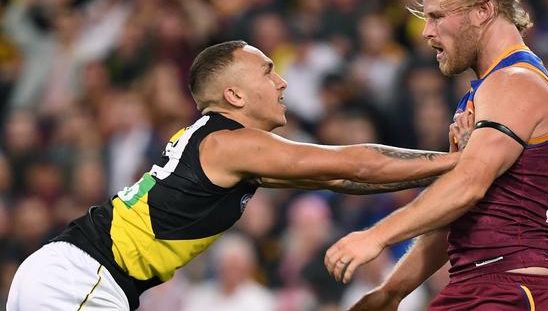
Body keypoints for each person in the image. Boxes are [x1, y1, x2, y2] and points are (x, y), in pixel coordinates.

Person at [6, 40, 472, 311]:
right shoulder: (229, 143)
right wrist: (459, 161)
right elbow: (356, 163)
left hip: (73, 274)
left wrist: (436, 172)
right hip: (80, 280)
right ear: (234, 95)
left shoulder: (224, 146)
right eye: (268, 72)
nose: (282, 82)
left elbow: (344, 181)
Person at [324, 0, 548, 310]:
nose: (426, 31)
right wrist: (391, 293)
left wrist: (377, 236)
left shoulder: (517, 83)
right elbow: (450, 209)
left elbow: (467, 185)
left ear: (483, 10)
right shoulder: (481, 95)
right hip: (475, 287)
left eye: (437, 17)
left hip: (511, 289)